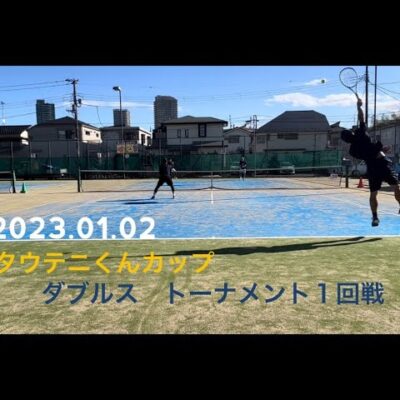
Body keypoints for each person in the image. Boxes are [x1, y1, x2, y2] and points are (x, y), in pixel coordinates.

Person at [341, 98, 400, 227]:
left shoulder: (352, 151)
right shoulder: (360, 133)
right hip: (382, 164)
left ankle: (375, 217)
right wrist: (359, 106)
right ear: (351, 133)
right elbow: (361, 117)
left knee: (373, 194)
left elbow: (369, 155)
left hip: (372, 168)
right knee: (396, 186)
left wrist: (379, 150)